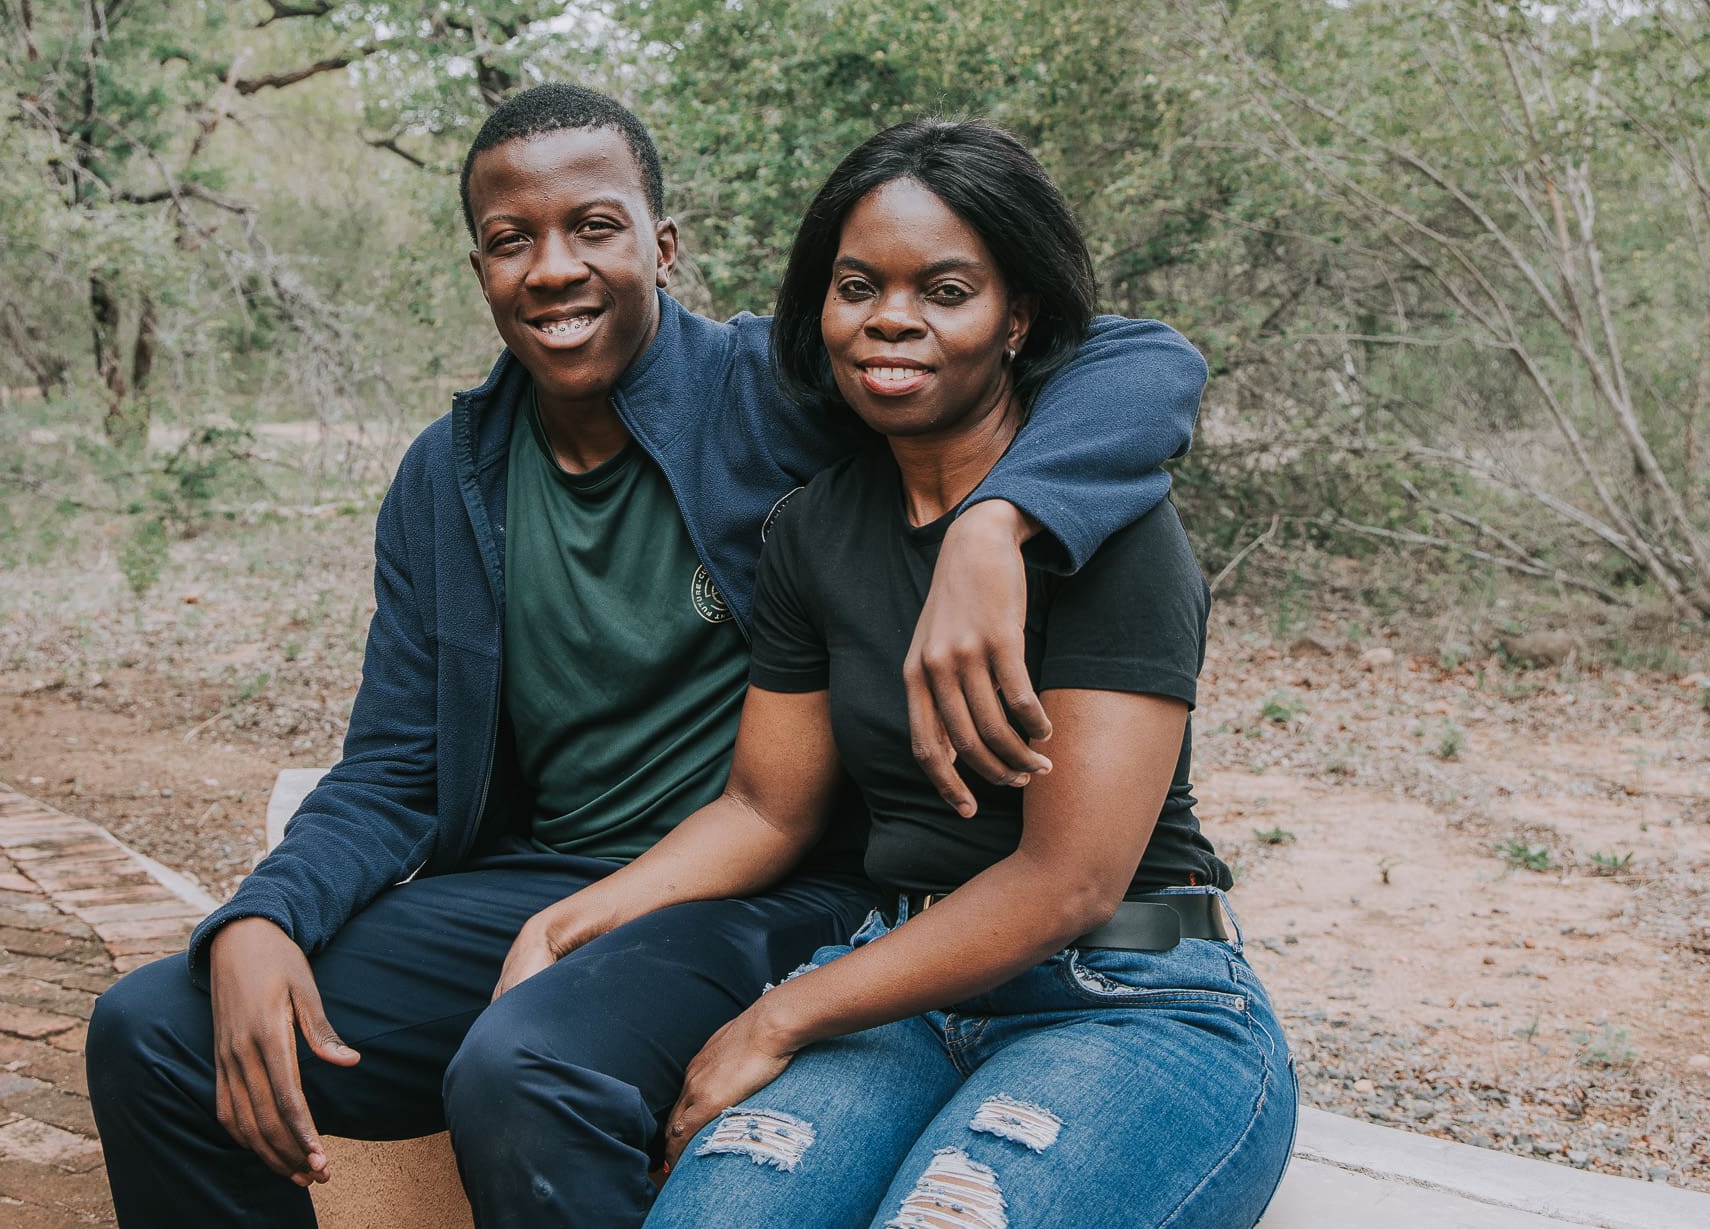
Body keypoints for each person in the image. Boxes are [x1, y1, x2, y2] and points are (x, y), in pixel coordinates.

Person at [87, 86, 1212, 1229]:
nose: (552, 268)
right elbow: (393, 768)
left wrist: (997, 520)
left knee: (529, 1066)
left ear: (659, 246)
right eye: (509, 240)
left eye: (593, 227)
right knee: (153, 1034)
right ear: (478, 267)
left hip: (778, 888)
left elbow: (1134, 359)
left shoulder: (777, 394)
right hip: (545, 879)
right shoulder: (448, 478)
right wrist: (266, 915)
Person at [496, 118, 1294, 1229]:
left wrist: (777, 1017)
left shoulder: (1107, 528)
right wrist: (574, 920)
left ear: (1015, 318)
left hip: (1128, 1000)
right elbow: (765, 807)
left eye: (945, 290)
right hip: (898, 996)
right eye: (856, 284)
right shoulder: (812, 534)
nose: (889, 319)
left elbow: (1068, 883)